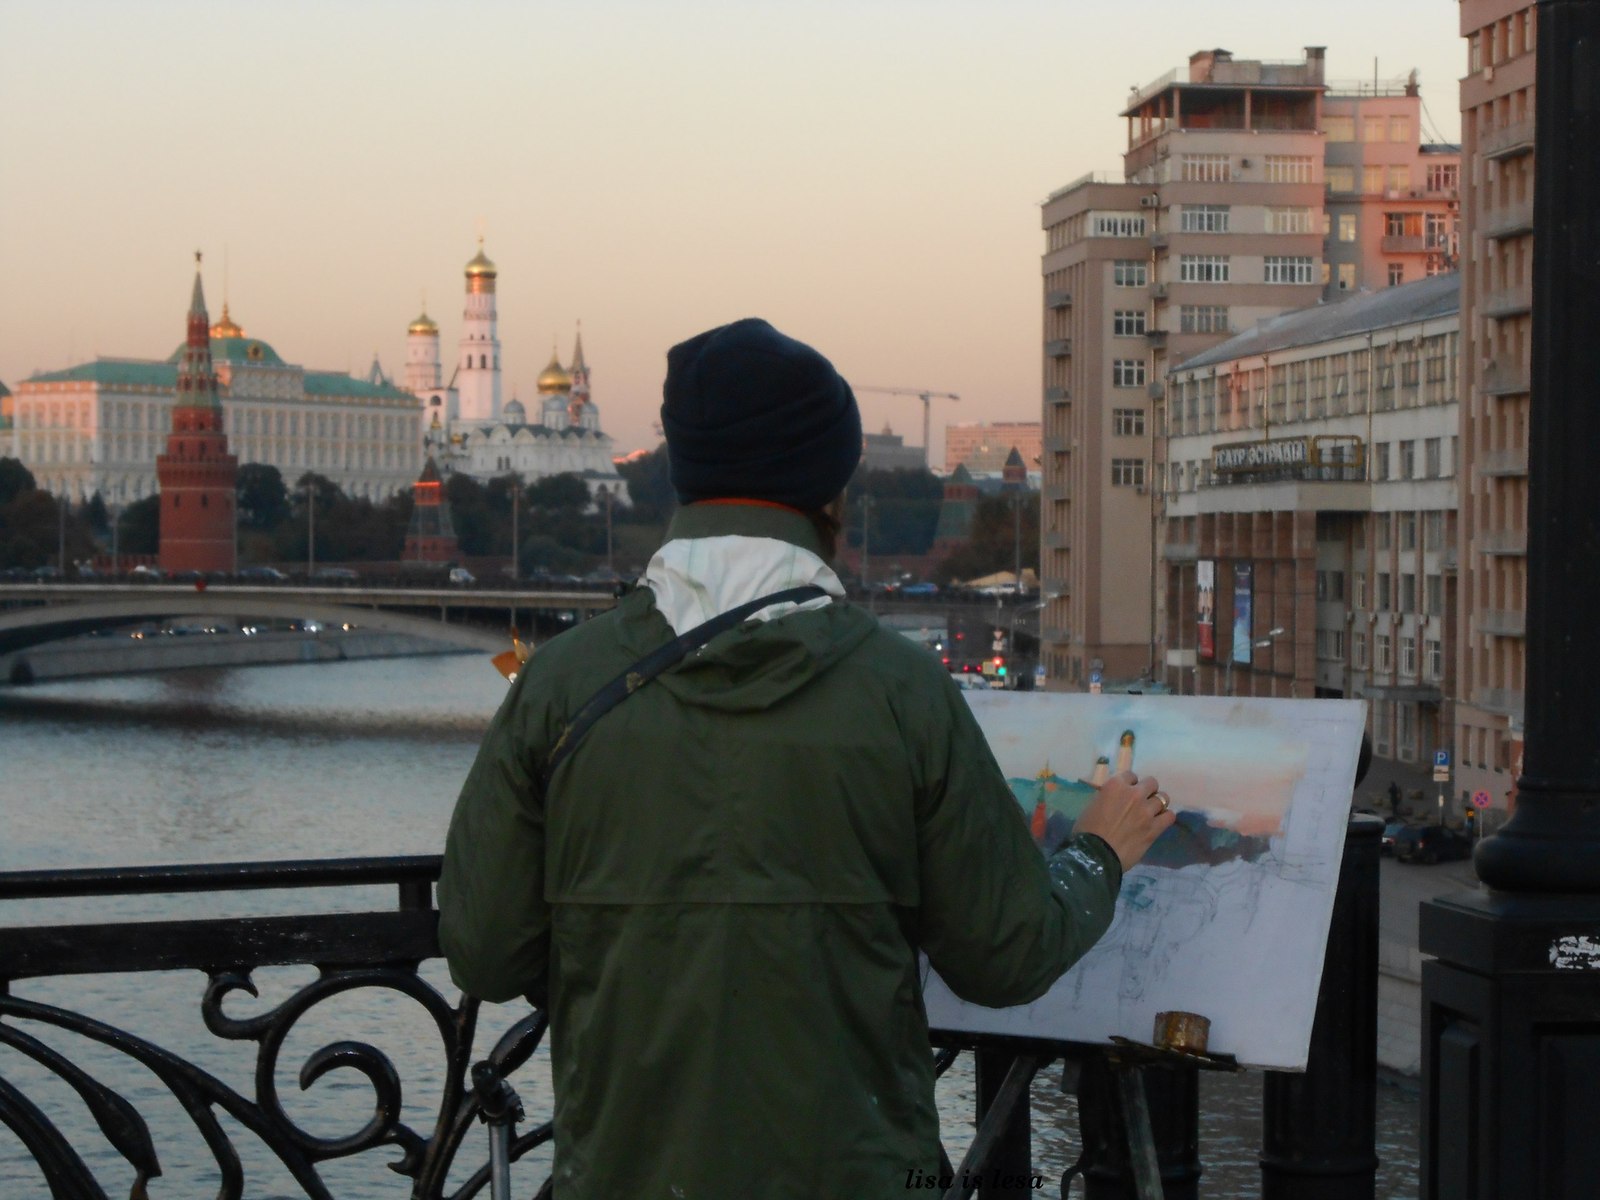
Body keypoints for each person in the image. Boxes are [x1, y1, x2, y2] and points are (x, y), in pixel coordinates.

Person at [438, 318, 1175, 1199]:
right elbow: (1004, 955)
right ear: (832, 492)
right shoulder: (901, 691)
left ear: (683, 474)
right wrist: (1098, 851)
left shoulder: (560, 686)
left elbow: (484, 955)